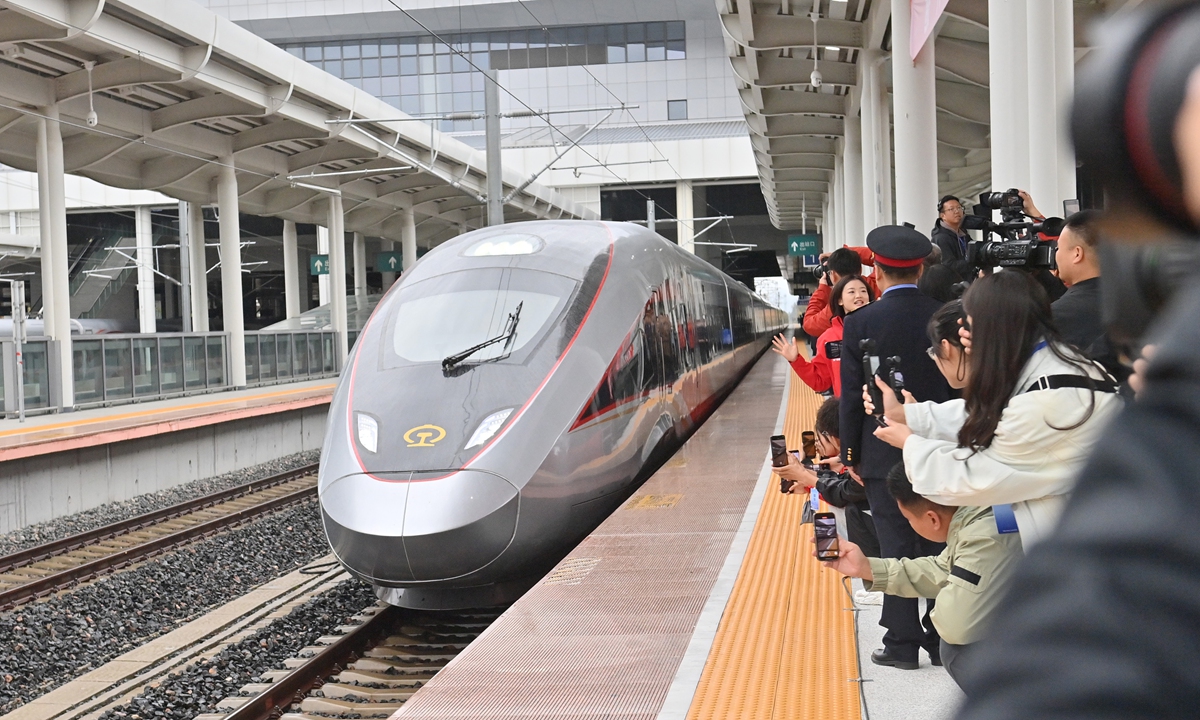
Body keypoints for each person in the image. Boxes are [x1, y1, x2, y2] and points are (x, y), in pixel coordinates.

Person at [868, 271, 1124, 547]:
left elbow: (976, 476)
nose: (964, 335)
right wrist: (908, 415)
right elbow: (994, 412)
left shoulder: (1047, 404)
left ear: (995, 327)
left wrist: (910, 443)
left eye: (969, 324)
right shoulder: (1055, 362)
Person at [840, 224, 953, 671]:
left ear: (877, 273)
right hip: (941, 445)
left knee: (893, 542)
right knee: (942, 538)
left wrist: (852, 455)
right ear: (922, 269)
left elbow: (850, 398)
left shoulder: (858, 323)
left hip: (881, 448)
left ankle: (901, 642)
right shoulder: (947, 314)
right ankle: (941, 635)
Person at [820, 462, 1023, 685]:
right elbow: (942, 568)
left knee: (956, 649)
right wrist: (867, 568)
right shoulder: (979, 512)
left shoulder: (984, 539)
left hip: (1042, 644)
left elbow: (957, 624)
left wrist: (953, 591)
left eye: (908, 518)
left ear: (932, 518)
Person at [778, 397, 880, 558]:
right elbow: (842, 483)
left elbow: (845, 493)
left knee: (846, 508)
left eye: (819, 438)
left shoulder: (863, 461)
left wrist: (804, 475)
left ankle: (857, 564)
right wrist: (805, 476)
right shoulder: (866, 446)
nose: (817, 444)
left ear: (832, 437)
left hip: (878, 541)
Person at [1051, 210, 1126, 382]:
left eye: (1058, 248)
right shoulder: (1138, 307)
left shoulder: (1052, 316)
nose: (1055, 255)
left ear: (1077, 253)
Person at [772, 275, 873, 395]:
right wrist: (795, 360)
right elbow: (820, 382)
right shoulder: (828, 338)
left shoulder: (882, 328)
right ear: (839, 300)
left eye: (863, 291)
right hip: (849, 409)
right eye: (851, 292)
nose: (858, 295)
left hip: (888, 408)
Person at [803, 248, 880, 338]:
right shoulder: (878, 283)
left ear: (833, 275)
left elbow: (809, 324)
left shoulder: (838, 305)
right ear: (861, 269)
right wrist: (849, 251)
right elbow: (879, 255)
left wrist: (823, 289)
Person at [930, 195, 975, 282]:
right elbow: (949, 266)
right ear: (943, 215)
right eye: (951, 209)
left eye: (959, 208)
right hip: (951, 288)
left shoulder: (964, 234)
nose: (957, 211)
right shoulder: (940, 238)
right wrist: (973, 262)